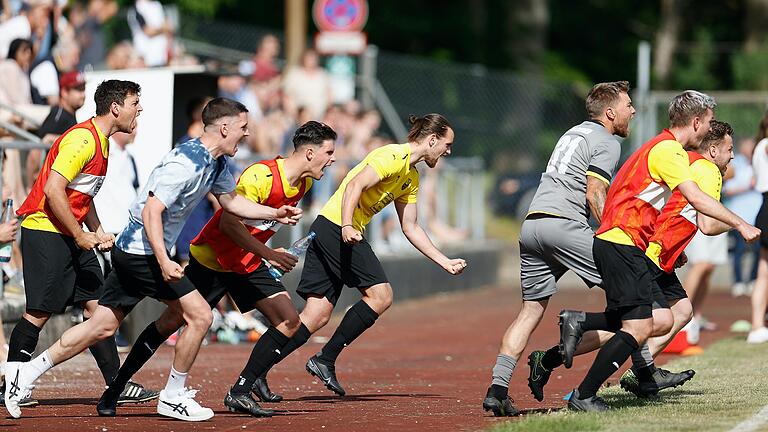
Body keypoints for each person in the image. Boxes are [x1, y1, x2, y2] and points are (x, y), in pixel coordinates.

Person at [4, 97, 303, 421]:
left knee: (100, 326)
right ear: (224, 127)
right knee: (200, 316)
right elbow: (152, 210)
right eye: (243, 128)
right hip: (142, 253)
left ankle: (26, 373)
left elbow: (233, 204)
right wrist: (163, 259)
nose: (247, 135)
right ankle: (172, 396)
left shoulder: (215, 163)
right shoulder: (186, 162)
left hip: (135, 251)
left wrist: (275, 212)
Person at [96, 120, 338, 418]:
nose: (334, 158)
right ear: (310, 153)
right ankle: (115, 389)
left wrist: (264, 253)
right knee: (171, 322)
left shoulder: (304, 183)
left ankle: (241, 390)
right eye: (329, 151)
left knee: (289, 321)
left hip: (246, 261)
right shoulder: (261, 175)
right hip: (213, 259)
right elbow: (227, 221)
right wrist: (267, 253)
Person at [561, 91, 760, 412]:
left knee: (664, 317)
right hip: (622, 242)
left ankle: (624, 362)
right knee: (641, 325)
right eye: (708, 121)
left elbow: (659, 203)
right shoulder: (670, 151)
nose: (708, 127)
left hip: (630, 243)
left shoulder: (667, 149)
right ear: (696, 122)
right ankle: (586, 390)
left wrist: (668, 243)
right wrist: (741, 223)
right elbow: (697, 205)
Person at [254, 114, 466, 401]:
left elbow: (410, 227)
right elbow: (354, 185)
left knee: (315, 316)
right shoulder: (392, 155)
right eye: (447, 144)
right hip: (336, 228)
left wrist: (444, 261)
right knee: (381, 295)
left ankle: (256, 374)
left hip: (334, 228)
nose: (448, 151)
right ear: (432, 139)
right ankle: (325, 359)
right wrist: (347, 225)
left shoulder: (411, 177)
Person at [532, 121, 736, 400]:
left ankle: (641, 370)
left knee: (681, 311)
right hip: (648, 254)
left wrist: (673, 246)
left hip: (655, 252)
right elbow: (708, 224)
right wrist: (740, 224)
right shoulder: (709, 170)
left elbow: (669, 209)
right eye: (729, 149)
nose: (732, 156)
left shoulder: (685, 160)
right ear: (713, 150)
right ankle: (620, 374)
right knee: (635, 323)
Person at [480, 81, 634, 416]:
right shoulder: (606, 140)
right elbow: (595, 192)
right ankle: (646, 374)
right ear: (610, 113)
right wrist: (617, 235)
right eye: (627, 105)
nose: (632, 110)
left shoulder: (573, 132)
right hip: (564, 226)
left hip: (532, 223)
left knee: (530, 311)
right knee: (637, 297)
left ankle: (497, 388)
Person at [3, 80, 155, 409]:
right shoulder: (82, 139)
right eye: (134, 103)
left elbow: (82, 196)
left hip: (70, 233)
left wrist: (97, 231)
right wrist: (80, 234)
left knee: (98, 310)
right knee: (38, 313)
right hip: (45, 230)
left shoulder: (102, 143)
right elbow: (53, 192)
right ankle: (13, 384)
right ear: (115, 108)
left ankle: (117, 385)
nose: (138, 109)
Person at [29, 70, 87, 186]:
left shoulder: (68, 116)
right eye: (77, 89)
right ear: (64, 92)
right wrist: (31, 185)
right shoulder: (58, 116)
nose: (83, 94)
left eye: (83, 88)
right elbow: (37, 147)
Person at [724, 138, 762, 297]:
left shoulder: (758, 164)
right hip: (738, 216)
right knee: (739, 251)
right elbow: (727, 190)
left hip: (756, 216)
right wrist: (748, 186)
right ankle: (738, 282)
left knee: (758, 251)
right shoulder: (735, 165)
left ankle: (753, 280)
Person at [747, 111, 768, 343]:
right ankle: (756, 324)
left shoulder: (759, 145)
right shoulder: (764, 145)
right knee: (763, 272)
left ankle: (758, 324)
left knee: (764, 270)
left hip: (764, 207)